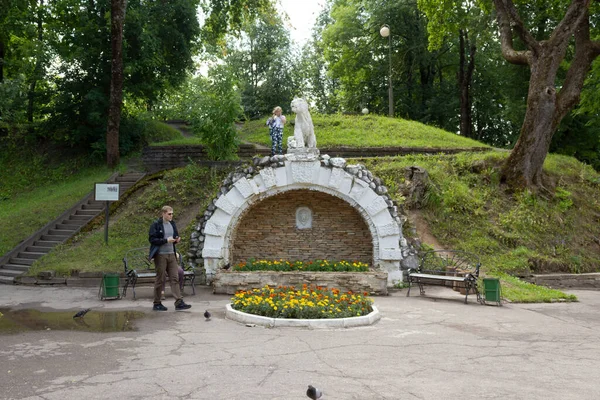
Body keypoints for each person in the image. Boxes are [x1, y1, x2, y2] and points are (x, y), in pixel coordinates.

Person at [148, 206, 191, 311]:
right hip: (160, 255)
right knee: (160, 279)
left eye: (172, 214)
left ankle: (179, 302)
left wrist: (177, 240)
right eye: (169, 214)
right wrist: (165, 240)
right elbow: (152, 239)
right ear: (163, 214)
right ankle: (157, 303)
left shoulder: (172, 224)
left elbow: (175, 236)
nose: (171, 216)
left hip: (171, 254)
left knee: (175, 278)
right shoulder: (156, 225)